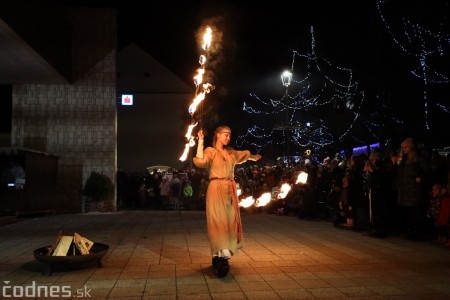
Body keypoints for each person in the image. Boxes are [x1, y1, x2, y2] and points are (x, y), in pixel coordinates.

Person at [193, 126, 262, 277]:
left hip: (230, 190)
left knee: (230, 221)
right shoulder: (211, 151)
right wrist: (201, 141)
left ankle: (222, 257)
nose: (228, 137)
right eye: (225, 134)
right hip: (216, 188)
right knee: (218, 221)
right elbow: (200, 161)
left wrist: (253, 157)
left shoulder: (230, 153)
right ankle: (219, 257)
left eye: (229, 135)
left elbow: (242, 155)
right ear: (217, 135)